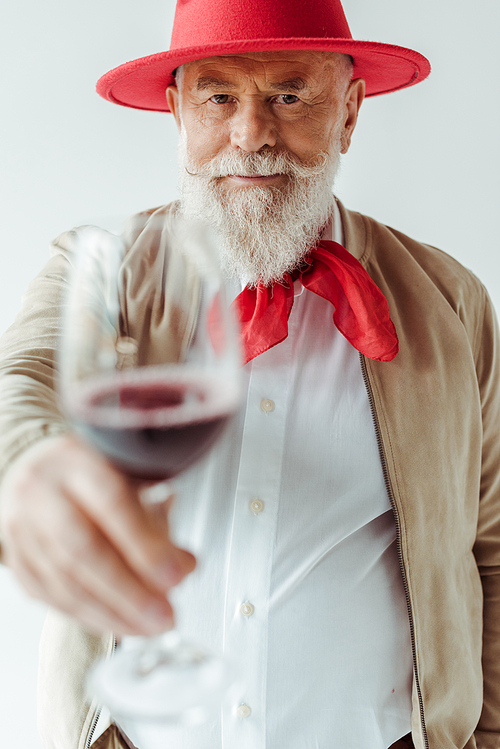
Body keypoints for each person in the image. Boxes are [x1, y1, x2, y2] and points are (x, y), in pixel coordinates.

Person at [0, 0, 498, 748]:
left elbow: (491, 549)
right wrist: (29, 461)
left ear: (351, 111)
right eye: (219, 96)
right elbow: (25, 376)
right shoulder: (100, 270)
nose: (252, 135)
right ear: (177, 113)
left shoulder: (453, 303)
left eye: (289, 96)